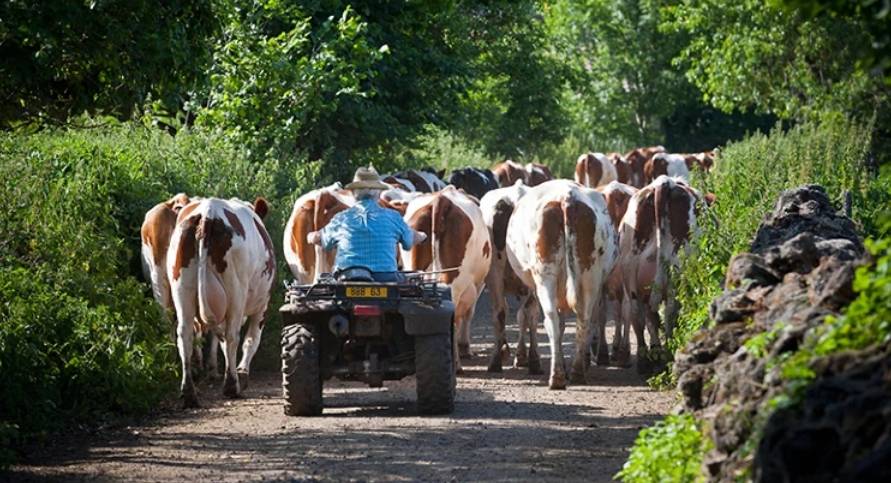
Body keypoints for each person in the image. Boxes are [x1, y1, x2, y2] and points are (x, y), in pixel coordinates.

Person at [307, 166, 426, 280]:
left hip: (347, 280)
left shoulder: (341, 219)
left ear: (353, 193)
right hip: (385, 279)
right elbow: (409, 240)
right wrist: (422, 236)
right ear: (379, 193)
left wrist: (310, 236)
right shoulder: (393, 217)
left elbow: (321, 239)